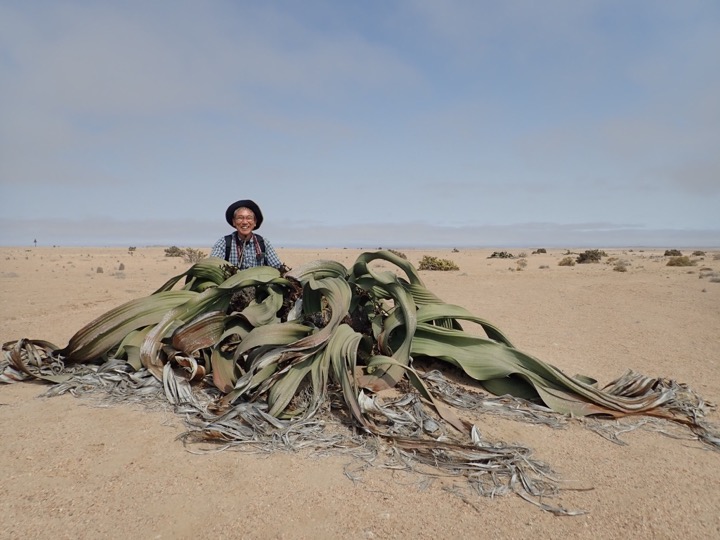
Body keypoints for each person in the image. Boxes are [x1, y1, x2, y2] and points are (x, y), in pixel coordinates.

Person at [210, 199, 285, 270]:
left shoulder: (263, 243)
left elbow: (277, 268)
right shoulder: (224, 243)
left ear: (255, 222)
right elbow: (212, 267)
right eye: (240, 218)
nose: (245, 222)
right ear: (234, 222)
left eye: (249, 218)